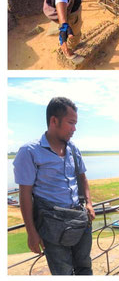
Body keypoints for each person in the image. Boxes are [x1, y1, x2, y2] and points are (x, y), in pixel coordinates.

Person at [13, 97, 96, 275]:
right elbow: (25, 195)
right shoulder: (29, 152)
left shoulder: (73, 148)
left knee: (84, 267)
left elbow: (83, 178)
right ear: (54, 121)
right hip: (52, 226)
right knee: (63, 272)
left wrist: (88, 203)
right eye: (71, 123)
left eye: (76, 124)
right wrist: (32, 232)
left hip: (79, 220)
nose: (74, 129)